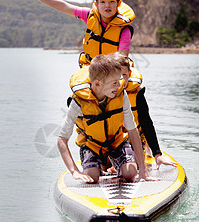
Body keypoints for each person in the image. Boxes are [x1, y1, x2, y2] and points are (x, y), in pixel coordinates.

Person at [57, 54, 159, 183]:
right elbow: (61, 140)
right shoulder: (78, 101)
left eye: (119, 80)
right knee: (92, 178)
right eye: (114, 83)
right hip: (92, 145)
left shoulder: (121, 94)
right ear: (98, 84)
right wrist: (74, 171)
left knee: (130, 173)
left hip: (117, 142)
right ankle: (100, 166)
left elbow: (132, 131)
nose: (119, 86)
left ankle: (114, 165)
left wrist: (143, 171)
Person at [21, 0, 135, 67]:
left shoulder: (124, 30)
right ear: (96, 4)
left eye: (112, 1)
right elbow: (64, 6)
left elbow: (122, 58)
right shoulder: (89, 16)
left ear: (119, 3)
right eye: (103, 2)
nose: (107, 6)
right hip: (91, 69)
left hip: (113, 71)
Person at [110, 52, 178, 169]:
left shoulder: (137, 94)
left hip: (133, 139)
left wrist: (158, 154)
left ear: (130, 74)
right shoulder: (104, 93)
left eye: (124, 75)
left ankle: (147, 148)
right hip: (113, 142)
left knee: (132, 165)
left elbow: (146, 122)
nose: (120, 81)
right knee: (104, 165)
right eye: (116, 76)